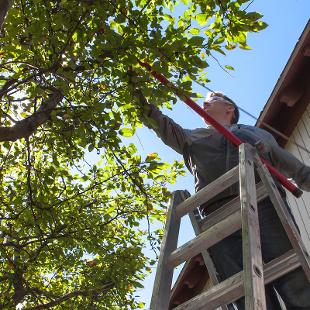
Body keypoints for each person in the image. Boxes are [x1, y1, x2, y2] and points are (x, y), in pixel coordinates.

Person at [133, 88, 310, 309]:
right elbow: (161, 124)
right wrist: (137, 94)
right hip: (218, 217)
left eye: (212, 100)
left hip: (263, 202)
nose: (204, 104)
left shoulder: (255, 133)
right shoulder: (192, 137)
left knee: (294, 277)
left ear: (229, 108)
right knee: (246, 293)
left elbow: (295, 168)